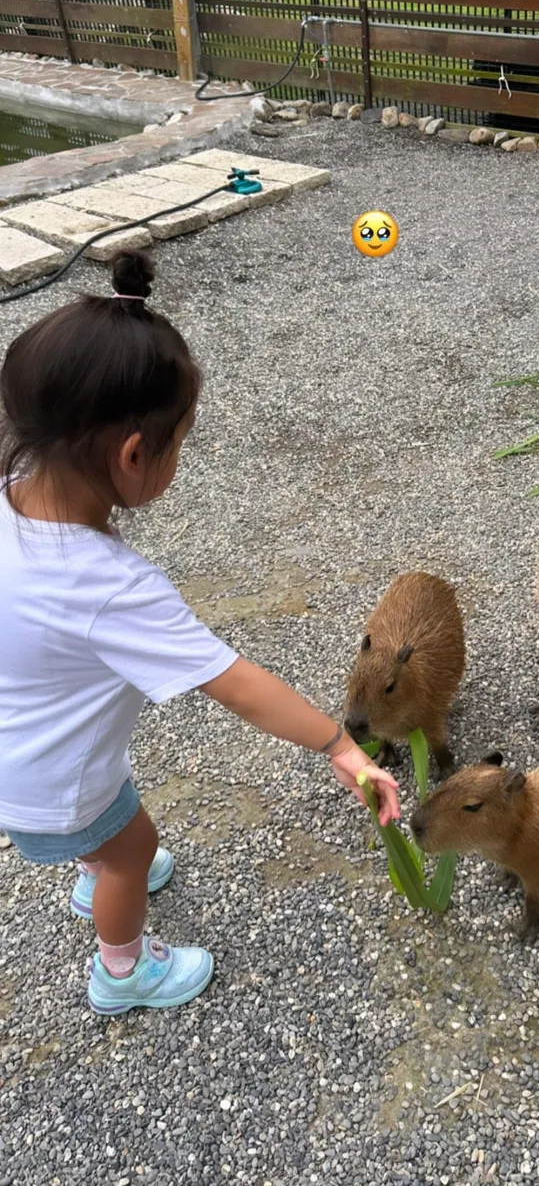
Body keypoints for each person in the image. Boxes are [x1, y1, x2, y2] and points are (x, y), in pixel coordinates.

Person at [0, 251, 400, 1017]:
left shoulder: (9, 497)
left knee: (105, 830)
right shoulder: (111, 587)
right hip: (59, 784)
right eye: (178, 443)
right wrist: (339, 746)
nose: (177, 458)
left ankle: (93, 862)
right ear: (131, 453)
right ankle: (122, 971)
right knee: (135, 848)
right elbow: (237, 683)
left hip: (19, 750)